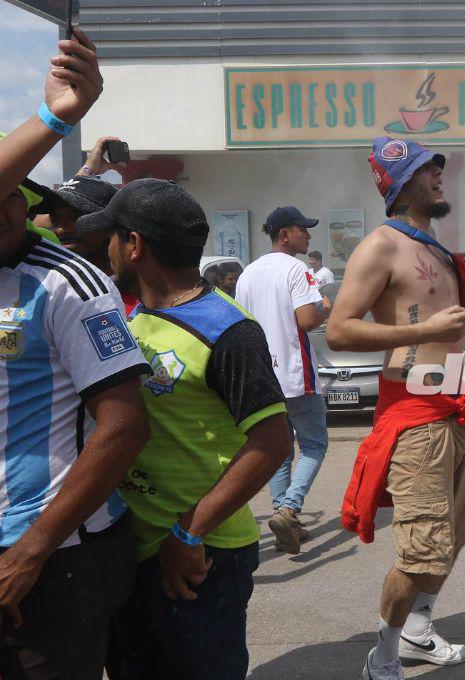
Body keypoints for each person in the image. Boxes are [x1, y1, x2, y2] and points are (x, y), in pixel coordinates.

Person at [77, 178, 292, 679]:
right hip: (139, 548)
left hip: (201, 555)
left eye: (111, 236)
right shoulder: (137, 318)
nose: (104, 248)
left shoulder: (228, 329)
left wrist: (188, 532)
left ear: (134, 246)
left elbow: (274, 439)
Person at [0, 29, 154, 679]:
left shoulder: (67, 282)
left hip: (58, 556)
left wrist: (33, 548)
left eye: (8, 191)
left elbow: (123, 428)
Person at [327, 137, 465, 680]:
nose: (440, 175)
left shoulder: (437, 246)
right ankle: (385, 655)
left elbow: (451, 316)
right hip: (414, 416)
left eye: (439, 167)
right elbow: (339, 330)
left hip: (455, 410)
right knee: (421, 551)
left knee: (456, 534)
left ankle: (419, 629)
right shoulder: (380, 246)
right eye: (427, 169)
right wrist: (422, 330)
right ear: (401, 183)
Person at [235, 206, 331, 554]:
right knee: (315, 445)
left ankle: (282, 518)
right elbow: (307, 319)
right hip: (294, 373)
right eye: (301, 229)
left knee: (279, 450)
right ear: (284, 235)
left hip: (263, 376)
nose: (308, 235)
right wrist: (325, 306)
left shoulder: (248, 273)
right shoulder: (296, 268)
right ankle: (290, 508)